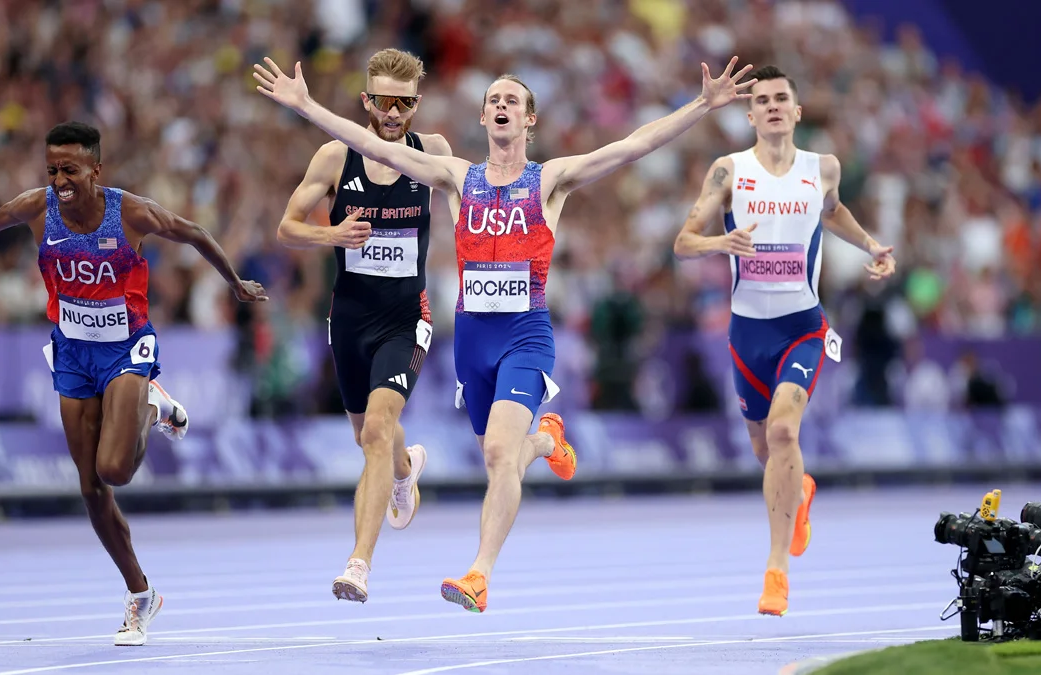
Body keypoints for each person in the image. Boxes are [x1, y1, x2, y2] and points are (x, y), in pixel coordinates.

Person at [254, 55, 755, 612]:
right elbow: (373, 147)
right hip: (472, 339)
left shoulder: (551, 181)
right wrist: (306, 106)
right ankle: (546, 439)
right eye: (493, 98)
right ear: (483, 115)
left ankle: (479, 573)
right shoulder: (455, 177)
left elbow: (633, 145)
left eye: (511, 100)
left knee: (497, 454)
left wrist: (701, 106)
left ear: (529, 120)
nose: (500, 105)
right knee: (505, 455)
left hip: (524, 333)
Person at [0, 121, 268, 645]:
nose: (60, 180)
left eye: (70, 169)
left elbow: (193, 233)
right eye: (52, 169)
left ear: (96, 169)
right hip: (71, 351)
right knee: (91, 489)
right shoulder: (38, 208)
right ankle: (140, 596)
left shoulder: (129, 211)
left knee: (116, 469)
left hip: (126, 347)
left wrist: (236, 284)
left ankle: (153, 407)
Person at [672, 66, 896, 617]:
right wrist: (720, 240)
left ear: (797, 112)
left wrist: (871, 246)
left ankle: (776, 571)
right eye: (763, 100)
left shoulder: (823, 168)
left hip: (802, 327)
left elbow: (833, 211)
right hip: (747, 334)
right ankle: (801, 490)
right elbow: (683, 242)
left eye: (782, 99)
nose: (772, 106)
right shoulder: (728, 171)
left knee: (782, 431)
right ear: (750, 116)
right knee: (764, 450)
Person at [276, 48, 452, 603]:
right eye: (383, 101)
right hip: (350, 318)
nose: (393, 113)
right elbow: (286, 228)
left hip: (407, 318)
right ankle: (406, 469)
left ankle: (358, 564)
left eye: (404, 103)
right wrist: (333, 236)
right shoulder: (334, 157)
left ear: (416, 104)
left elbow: (469, 206)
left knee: (376, 430)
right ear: (365, 100)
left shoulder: (434, 152)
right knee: (366, 435)